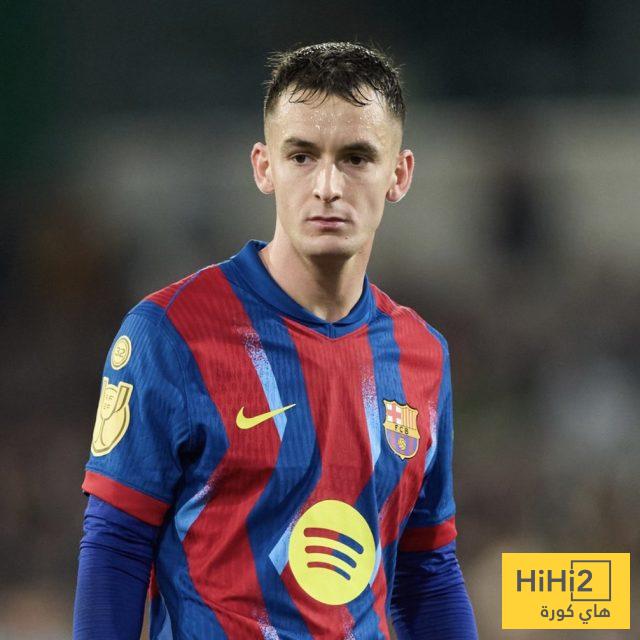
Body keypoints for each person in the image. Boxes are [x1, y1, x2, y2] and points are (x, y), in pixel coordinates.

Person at [73, 42, 478, 639]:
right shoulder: (170, 333)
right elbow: (117, 546)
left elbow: (428, 572)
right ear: (265, 167)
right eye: (302, 156)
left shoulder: (423, 355)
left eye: (356, 157)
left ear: (399, 174)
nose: (328, 186)